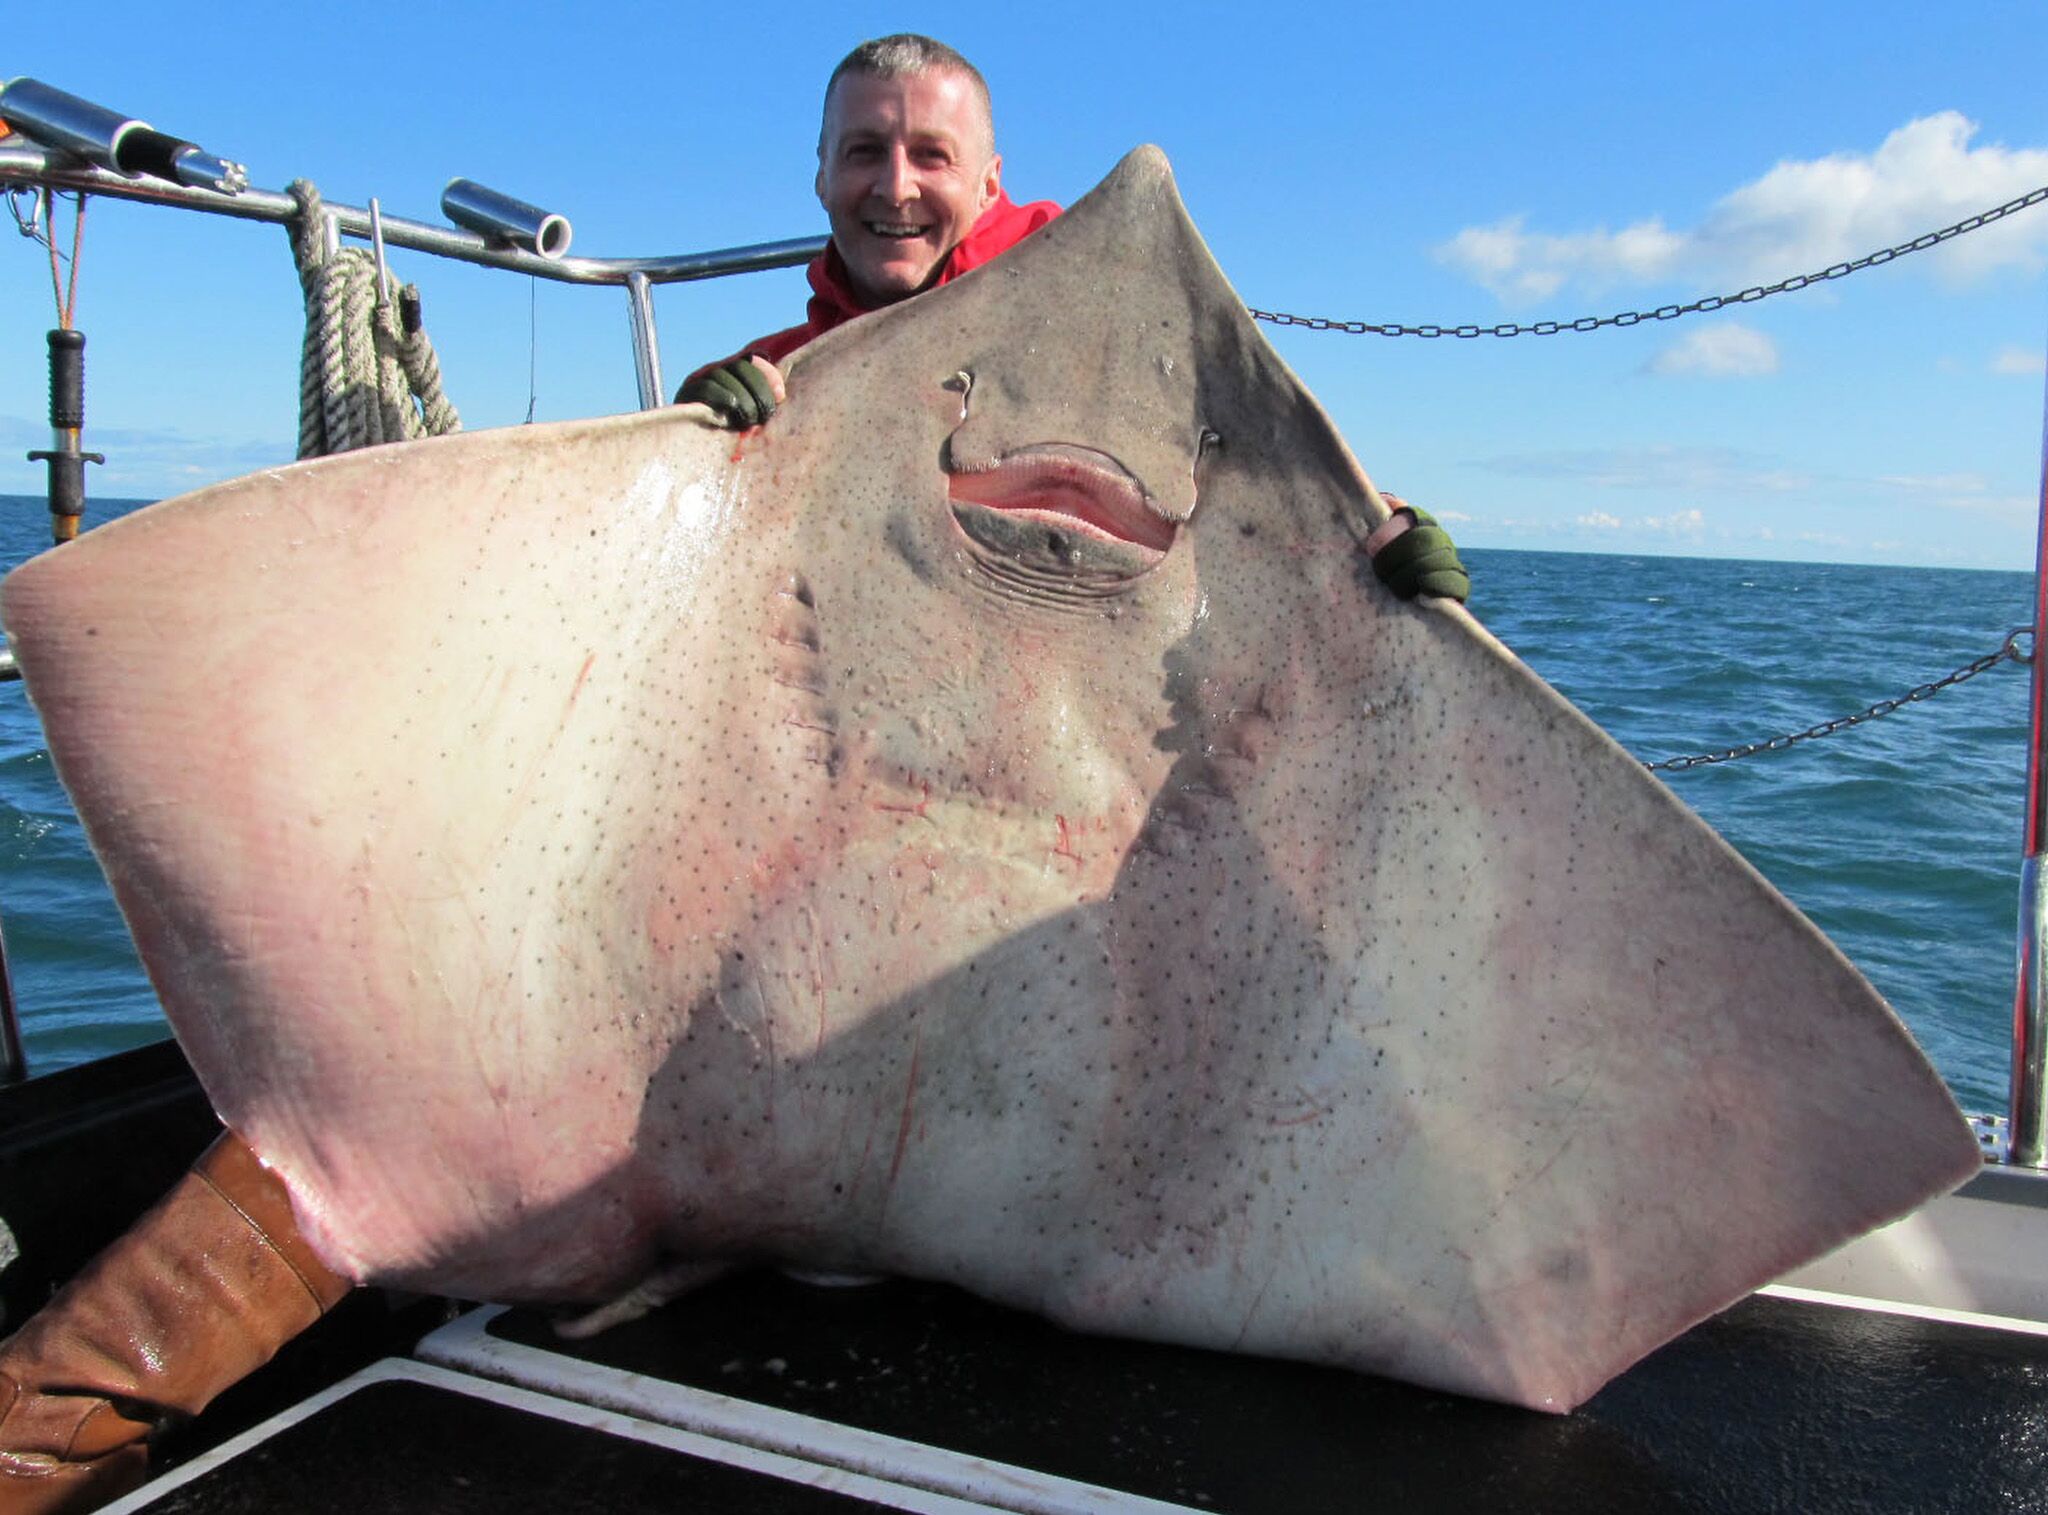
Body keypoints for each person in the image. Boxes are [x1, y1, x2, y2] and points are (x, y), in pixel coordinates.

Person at [678, 33, 1060, 429]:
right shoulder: (773, 386)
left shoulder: (1076, 328)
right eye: (865, 151)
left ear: (989, 186)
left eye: (932, 155)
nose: (896, 190)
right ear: (823, 176)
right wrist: (695, 438)